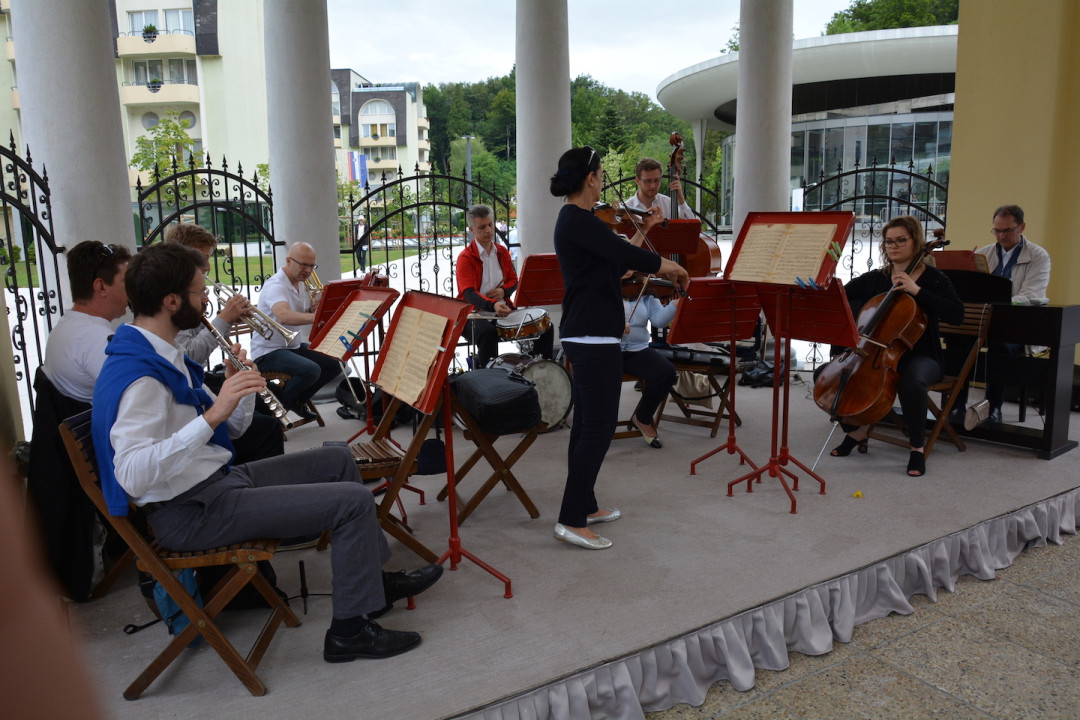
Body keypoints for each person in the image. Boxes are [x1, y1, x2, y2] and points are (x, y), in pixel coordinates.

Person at [91, 243, 442, 663]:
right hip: (189, 512)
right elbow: (131, 475)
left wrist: (236, 391)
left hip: (215, 484)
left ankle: (373, 585)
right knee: (351, 503)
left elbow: (234, 428)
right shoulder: (141, 376)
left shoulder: (164, 355)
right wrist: (213, 415)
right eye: (200, 292)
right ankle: (349, 633)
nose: (207, 301)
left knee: (336, 458)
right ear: (171, 301)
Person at [549, 146, 688, 550]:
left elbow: (616, 262)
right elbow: (628, 255)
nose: (605, 179)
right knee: (597, 428)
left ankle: (585, 504)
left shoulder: (582, 221)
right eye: (601, 173)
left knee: (589, 426)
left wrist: (627, 263)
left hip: (594, 334)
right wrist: (673, 267)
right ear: (590, 178)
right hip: (592, 337)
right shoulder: (578, 220)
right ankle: (571, 519)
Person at [823, 216, 964, 477]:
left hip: (922, 356)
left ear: (916, 241)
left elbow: (957, 313)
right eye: (889, 242)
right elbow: (840, 295)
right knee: (829, 374)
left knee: (911, 382)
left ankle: (917, 448)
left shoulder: (934, 279)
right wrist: (825, 276)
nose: (894, 246)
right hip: (877, 354)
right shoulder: (877, 278)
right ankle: (857, 432)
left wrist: (917, 290)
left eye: (901, 240)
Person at [165, 223, 286, 468]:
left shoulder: (184, 294)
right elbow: (190, 356)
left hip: (197, 381)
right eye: (203, 258)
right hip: (192, 388)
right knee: (265, 425)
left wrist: (225, 318)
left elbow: (197, 338)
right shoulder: (171, 299)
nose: (208, 267)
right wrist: (224, 318)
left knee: (265, 402)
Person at [950, 204, 1052, 424]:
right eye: (997, 230)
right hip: (983, 320)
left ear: (1021, 227)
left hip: (1017, 324)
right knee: (957, 340)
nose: (1001, 236)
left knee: (1001, 346)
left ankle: (993, 408)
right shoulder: (983, 253)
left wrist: (1002, 302)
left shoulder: (1038, 256)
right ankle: (956, 406)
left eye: (1007, 230)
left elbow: (1031, 294)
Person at [250, 242, 341, 420]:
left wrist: (310, 311)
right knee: (311, 370)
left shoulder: (299, 283)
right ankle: (272, 412)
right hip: (268, 352)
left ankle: (298, 400)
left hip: (291, 346)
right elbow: (283, 315)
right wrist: (318, 317)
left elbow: (295, 314)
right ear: (288, 261)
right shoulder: (276, 285)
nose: (308, 270)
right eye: (304, 264)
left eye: (311, 265)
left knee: (335, 364)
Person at [456, 203, 553, 369]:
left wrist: (503, 291)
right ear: (471, 231)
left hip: (500, 310)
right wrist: (492, 304)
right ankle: (490, 382)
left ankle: (539, 372)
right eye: (482, 227)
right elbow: (469, 294)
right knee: (488, 334)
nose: (488, 230)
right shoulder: (465, 258)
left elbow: (513, 281)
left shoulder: (501, 251)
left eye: (490, 225)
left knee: (545, 326)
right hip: (473, 314)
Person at [43, 241, 132, 402]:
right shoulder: (96, 340)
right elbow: (136, 398)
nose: (132, 288)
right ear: (101, 287)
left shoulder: (68, 326)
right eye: (126, 281)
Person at [621, 291, 678, 448]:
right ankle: (597, 427)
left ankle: (642, 418)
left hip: (637, 349)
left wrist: (675, 305)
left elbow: (658, 320)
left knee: (667, 373)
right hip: (607, 350)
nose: (630, 271)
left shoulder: (644, 290)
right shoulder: (604, 285)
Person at [623, 157, 693, 219]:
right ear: (638, 181)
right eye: (648, 181)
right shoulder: (627, 207)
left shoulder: (668, 203)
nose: (653, 185)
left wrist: (681, 199)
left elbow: (691, 226)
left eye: (656, 180)